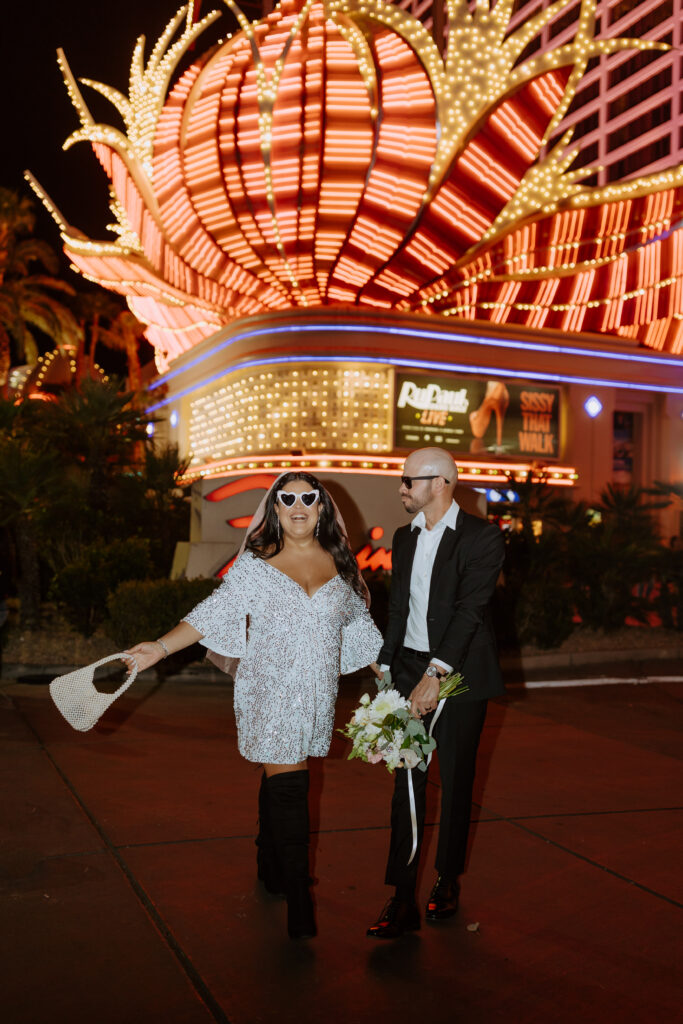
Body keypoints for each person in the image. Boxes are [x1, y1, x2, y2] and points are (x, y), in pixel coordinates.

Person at [125, 472, 382, 940]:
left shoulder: (341, 567)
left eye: (309, 497)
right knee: (293, 787)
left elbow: (362, 632)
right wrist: (159, 648)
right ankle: (300, 899)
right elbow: (212, 613)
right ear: (276, 509)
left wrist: (397, 684)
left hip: (316, 695)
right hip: (268, 690)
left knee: (282, 778)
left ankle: (270, 858)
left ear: (321, 508)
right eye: (288, 498)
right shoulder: (255, 567)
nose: (299, 505)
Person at [367, 447, 505, 939]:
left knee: (458, 779)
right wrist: (386, 660)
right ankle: (402, 894)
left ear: (443, 482)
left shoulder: (482, 538)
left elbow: (470, 612)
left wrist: (437, 672)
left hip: (461, 675)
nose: (401, 487)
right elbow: (399, 606)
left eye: (410, 479)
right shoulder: (405, 538)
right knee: (406, 779)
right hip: (406, 669)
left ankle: (446, 881)